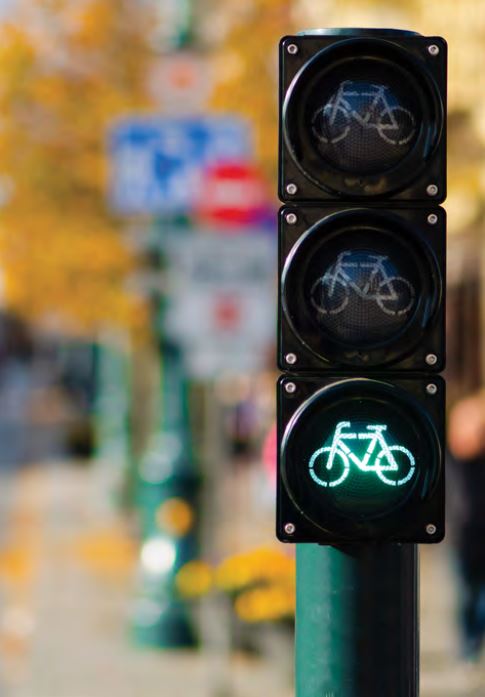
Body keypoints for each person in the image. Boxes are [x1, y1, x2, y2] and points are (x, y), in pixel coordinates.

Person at [448, 391, 485, 660]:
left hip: (470, 520)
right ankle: (468, 647)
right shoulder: (468, 413)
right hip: (466, 523)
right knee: (467, 592)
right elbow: (464, 442)